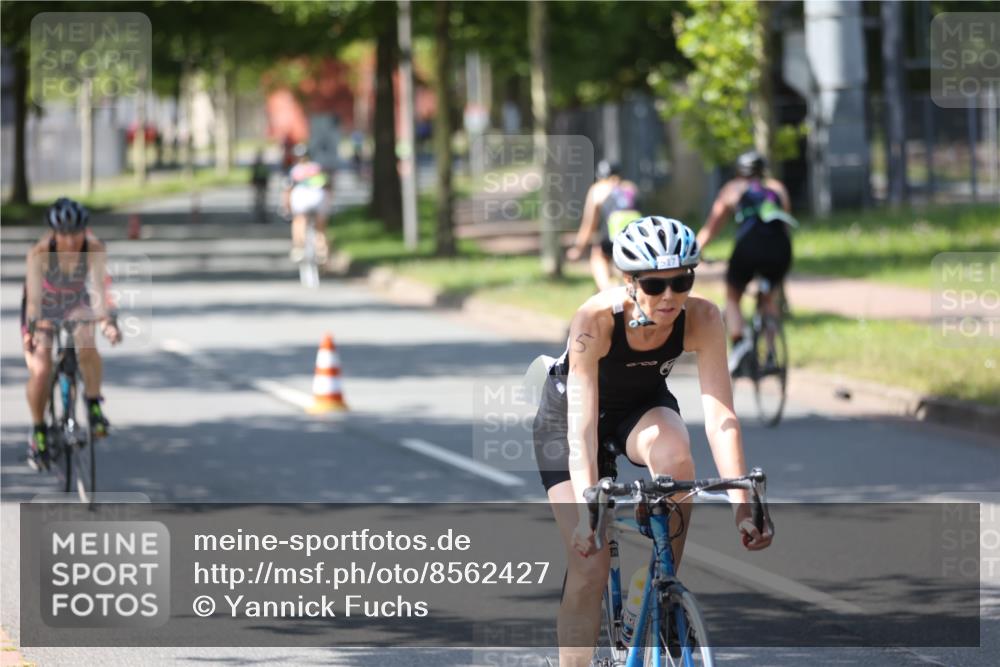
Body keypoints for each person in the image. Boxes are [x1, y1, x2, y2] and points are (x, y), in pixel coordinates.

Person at [533, 216, 772, 665]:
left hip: (639, 407)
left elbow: (721, 414)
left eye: (682, 281)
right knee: (590, 565)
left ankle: (659, 589)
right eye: (655, 284)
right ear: (629, 281)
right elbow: (582, 427)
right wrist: (589, 513)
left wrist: (743, 502)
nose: (669, 296)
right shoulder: (595, 320)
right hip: (570, 418)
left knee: (677, 458)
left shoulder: (702, 316)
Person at [21, 198, 122, 470]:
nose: (69, 240)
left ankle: (93, 404)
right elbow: (33, 301)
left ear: (84, 230)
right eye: (63, 234)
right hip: (43, 305)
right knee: (41, 368)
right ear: (54, 233)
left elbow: (100, 293)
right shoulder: (40, 252)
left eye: (75, 233)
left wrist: (107, 322)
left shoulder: (94, 248)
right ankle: (39, 430)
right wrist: (36, 328)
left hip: (76, 302)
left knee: (87, 343)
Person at [697, 150, 795, 374]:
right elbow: (784, 225)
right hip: (781, 248)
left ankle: (740, 343)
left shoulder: (733, 189)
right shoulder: (778, 188)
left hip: (749, 247)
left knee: (733, 294)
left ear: (740, 171)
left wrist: (694, 250)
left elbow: (711, 228)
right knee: (769, 297)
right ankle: (771, 354)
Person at [566, 161, 641, 291]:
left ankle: (606, 290)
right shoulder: (631, 187)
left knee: (598, 255)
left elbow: (589, 225)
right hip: (635, 237)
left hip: (611, 237)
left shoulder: (598, 189)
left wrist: (578, 249)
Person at [282, 143, 332, 264]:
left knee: (299, 220)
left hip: (302, 197)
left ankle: (298, 247)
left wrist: (287, 207)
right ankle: (322, 250)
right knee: (321, 227)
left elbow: (287, 190)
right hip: (319, 197)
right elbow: (328, 187)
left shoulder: (294, 170)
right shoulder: (318, 168)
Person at [250, 150, 270, 223]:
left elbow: (266, 176)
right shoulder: (258, 165)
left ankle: (261, 216)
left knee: (261, 201)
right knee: (259, 201)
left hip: (261, 184)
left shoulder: (259, 165)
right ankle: (259, 215)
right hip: (259, 184)